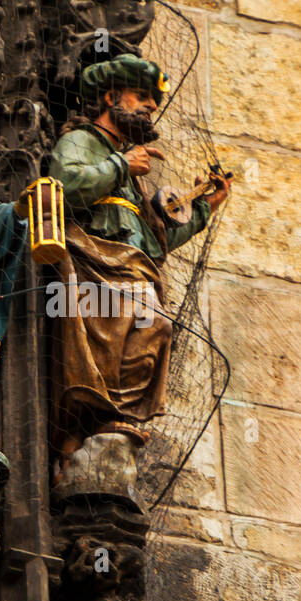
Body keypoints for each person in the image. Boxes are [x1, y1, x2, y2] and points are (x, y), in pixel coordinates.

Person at [48, 53, 231, 465]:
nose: (150, 106)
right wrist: (120, 164)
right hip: (93, 266)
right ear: (111, 97)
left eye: (153, 100)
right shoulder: (82, 141)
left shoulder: (133, 172)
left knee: (156, 326)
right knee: (105, 344)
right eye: (140, 96)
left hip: (135, 268)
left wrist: (205, 207)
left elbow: (154, 242)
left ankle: (115, 419)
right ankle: (78, 437)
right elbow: (63, 183)